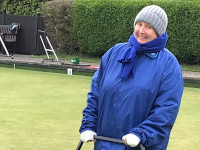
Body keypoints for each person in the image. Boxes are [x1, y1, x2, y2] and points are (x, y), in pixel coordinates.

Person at [79, 5, 184, 150]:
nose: (141, 30)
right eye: (139, 24)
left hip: (141, 145)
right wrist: (88, 124)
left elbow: (166, 109)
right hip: (104, 144)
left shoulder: (169, 65)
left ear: (158, 32)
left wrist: (141, 134)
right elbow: (96, 94)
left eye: (148, 27)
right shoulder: (114, 52)